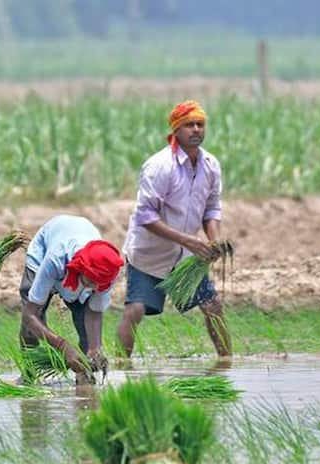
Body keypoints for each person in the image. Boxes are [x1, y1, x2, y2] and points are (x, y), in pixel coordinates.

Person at [116, 100, 232, 358]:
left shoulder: (211, 165)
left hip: (186, 258)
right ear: (176, 130)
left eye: (200, 124)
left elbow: (211, 208)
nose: (196, 130)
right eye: (189, 125)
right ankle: (120, 368)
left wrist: (214, 241)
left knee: (213, 306)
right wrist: (190, 241)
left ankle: (227, 364)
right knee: (135, 310)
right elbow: (145, 215)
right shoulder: (160, 166)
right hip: (149, 254)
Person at [19, 215, 124, 384]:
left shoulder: (107, 272)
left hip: (81, 261)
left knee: (86, 331)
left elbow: (94, 312)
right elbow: (29, 315)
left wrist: (95, 349)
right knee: (30, 331)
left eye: (99, 285)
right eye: (91, 282)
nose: (95, 289)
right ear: (80, 270)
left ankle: (84, 380)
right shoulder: (55, 260)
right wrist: (62, 346)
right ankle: (29, 375)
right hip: (44, 254)